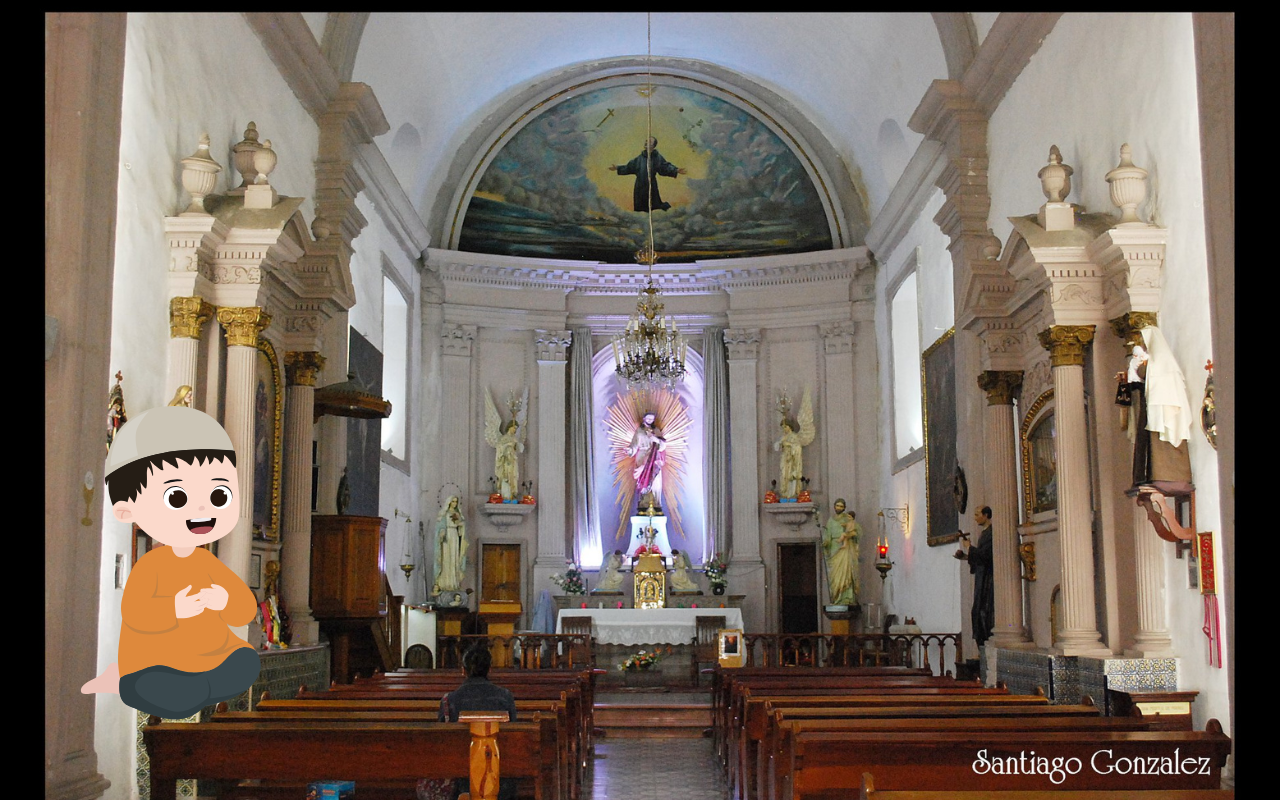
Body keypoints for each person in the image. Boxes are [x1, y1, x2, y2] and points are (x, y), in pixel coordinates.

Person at [81, 406, 260, 719]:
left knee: (245, 662)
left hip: (211, 657)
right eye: (177, 497)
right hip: (157, 663)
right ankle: (130, 683)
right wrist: (174, 609)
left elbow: (244, 608)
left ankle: (198, 686)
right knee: (165, 687)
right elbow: (135, 613)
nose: (203, 507)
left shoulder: (206, 561)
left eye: (219, 494)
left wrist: (224, 599)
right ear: (127, 510)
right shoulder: (151, 566)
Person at [1115, 326, 1193, 495]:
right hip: (1151, 411)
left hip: (1161, 413)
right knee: (1149, 442)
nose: (1143, 346)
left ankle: (1167, 476)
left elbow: (1145, 374)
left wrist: (1138, 368)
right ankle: (1149, 476)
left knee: (1163, 442)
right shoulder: (1155, 363)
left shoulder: (1160, 363)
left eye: (1144, 343)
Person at [439, 646, 518, 800]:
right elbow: (512, 735)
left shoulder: (449, 700)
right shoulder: (505, 697)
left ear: (463, 670)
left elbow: (442, 740)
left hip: (461, 779)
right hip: (502, 778)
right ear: (490, 669)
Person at [609, 136, 687, 212]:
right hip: (639, 187)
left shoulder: (657, 157)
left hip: (651, 186)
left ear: (653, 145)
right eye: (646, 140)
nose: (646, 142)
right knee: (640, 207)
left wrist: (675, 170)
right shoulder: (640, 158)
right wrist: (617, 168)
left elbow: (664, 166)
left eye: (649, 141)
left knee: (653, 207)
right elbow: (629, 167)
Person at [956, 506, 995, 647]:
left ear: (986, 515)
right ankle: (981, 645)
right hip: (981, 576)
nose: (975, 517)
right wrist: (966, 556)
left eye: (977, 514)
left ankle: (985, 644)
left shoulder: (991, 533)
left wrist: (969, 547)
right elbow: (980, 557)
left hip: (987, 578)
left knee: (983, 611)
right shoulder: (984, 533)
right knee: (977, 611)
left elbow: (986, 556)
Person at [821, 499, 861, 607]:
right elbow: (827, 535)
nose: (838, 508)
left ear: (844, 507)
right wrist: (825, 542)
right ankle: (837, 597)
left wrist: (849, 535)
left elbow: (856, 532)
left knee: (846, 571)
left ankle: (847, 598)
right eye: (837, 505)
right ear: (834, 507)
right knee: (835, 574)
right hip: (834, 548)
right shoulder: (830, 520)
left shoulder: (847, 518)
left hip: (845, 547)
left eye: (841, 506)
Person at [627, 411, 667, 509]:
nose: (650, 420)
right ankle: (643, 504)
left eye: (652, 419)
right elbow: (634, 445)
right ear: (644, 419)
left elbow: (662, 445)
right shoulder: (639, 431)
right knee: (642, 478)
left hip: (653, 457)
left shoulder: (656, 430)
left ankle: (656, 504)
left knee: (655, 480)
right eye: (648, 418)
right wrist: (630, 450)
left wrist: (655, 439)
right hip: (642, 456)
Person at [434, 496, 469, 593]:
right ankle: (445, 583)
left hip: (455, 537)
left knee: (454, 559)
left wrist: (461, 526)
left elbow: (462, 529)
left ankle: (454, 583)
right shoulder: (444, 514)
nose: (454, 503)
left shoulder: (458, 514)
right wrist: (441, 532)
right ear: (449, 502)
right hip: (447, 538)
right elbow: (439, 527)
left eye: (456, 502)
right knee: (446, 559)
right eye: (453, 501)